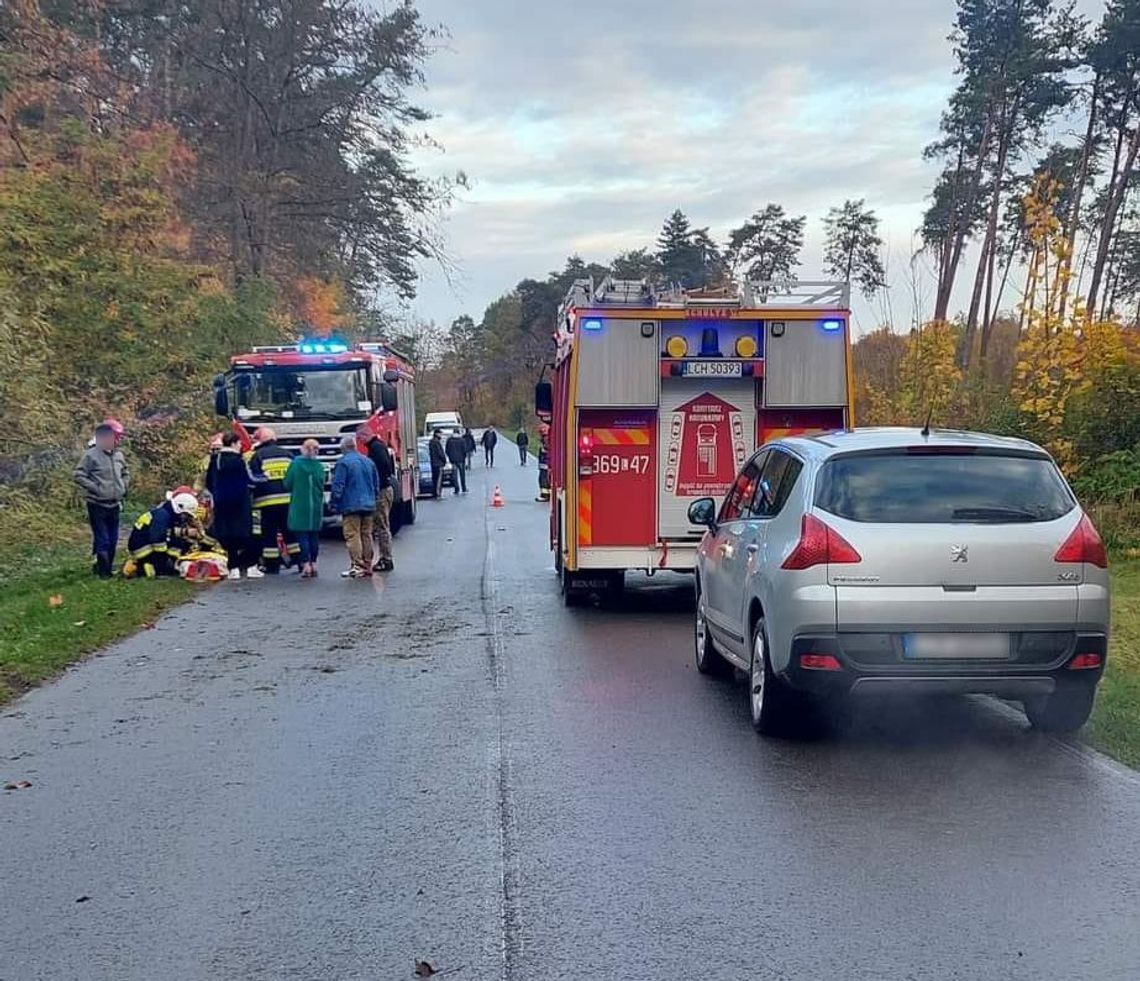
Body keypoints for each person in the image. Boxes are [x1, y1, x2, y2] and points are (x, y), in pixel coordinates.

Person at [73, 420, 129, 578]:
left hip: (115, 504)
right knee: (102, 539)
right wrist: (95, 487)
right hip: (97, 504)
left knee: (113, 540)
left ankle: (105, 567)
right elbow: (78, 475)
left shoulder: (118, 455)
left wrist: (123, 486)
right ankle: (104, 574)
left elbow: (125, 472)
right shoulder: (91, 456)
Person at [206, 432, 264, 580]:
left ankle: (234, 569)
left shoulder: (216, 460)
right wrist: (264, 478)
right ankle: (251, 566)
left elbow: (209, 482)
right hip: (240, 502)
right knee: (246, 533)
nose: (240, 447)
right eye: (239, 444)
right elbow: (249, 479)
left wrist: (217, 495)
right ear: (233, 443)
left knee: (228, 534)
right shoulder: (239, 460)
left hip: (221, 502)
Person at [249, 427, 299, 574]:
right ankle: (298, 558)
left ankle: (272, 565)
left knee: (269, 534)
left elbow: (253, 480)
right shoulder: (288, 454)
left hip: (266, 503)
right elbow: (296, 476)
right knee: (289, 531)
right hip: (288, 501)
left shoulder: (257, 456)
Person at [331, 434, 379, 578]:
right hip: (369, 504)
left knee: (353, 535)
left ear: (343, 448)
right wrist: (373, 499)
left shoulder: (343, 463)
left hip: (351, 504)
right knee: (367, 534)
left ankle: (357, 565)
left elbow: (338, 486)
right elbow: (376, 484)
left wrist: (334, 503)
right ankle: (368, 564)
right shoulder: (368, 461)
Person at [124, 488, 199, 578]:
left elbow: (169, 531)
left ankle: (158, 565)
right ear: (180, 508)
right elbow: (158, 540)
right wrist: (164, 559)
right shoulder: (162, 516)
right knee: (164, 571)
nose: (185, 517)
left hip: (147, 545)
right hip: (143, 550)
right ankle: (141, 568)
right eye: (186, 514)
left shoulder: (167, 513)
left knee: (178, 546)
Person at [285, 438, 326, 579]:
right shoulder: (319, 466)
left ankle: (306, 564)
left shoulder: (296, 464)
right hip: (315, 504)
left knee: (302, 536)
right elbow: (323, 482)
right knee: (314, 535)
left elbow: (287, 483)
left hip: (299, 504)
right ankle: (314, 563)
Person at [360, 429, 396, 572]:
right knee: (382, 525)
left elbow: (383, 466)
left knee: (382, 526)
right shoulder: (378, 446)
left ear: (365, 435)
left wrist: (376, 481)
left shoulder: (376, 448)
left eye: (360, 437)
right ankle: (385, 557)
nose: (360, 441)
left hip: (381, 491)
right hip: (384, 488)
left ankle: (386, 559)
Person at [446, 429, 468, 495]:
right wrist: (464, 457)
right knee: (462, 475)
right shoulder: (462, 440)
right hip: (461, 460)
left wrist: (450, 457)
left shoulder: (449, 440)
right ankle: (463, 488)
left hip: (453, 460)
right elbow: (465, 450)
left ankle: (456, 489)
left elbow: (447, 450)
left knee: (454, 475)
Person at [428, 429, 447, 499]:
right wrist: (444, 460)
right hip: (438, 464)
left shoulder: (431, 442)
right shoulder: (437, 442)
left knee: (434, 479)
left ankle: (434, 493)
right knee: (439, 479)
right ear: (437, 434)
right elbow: (440, 453)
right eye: (440, 434)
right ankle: (437, 493)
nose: (441, 435)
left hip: (433, 463)